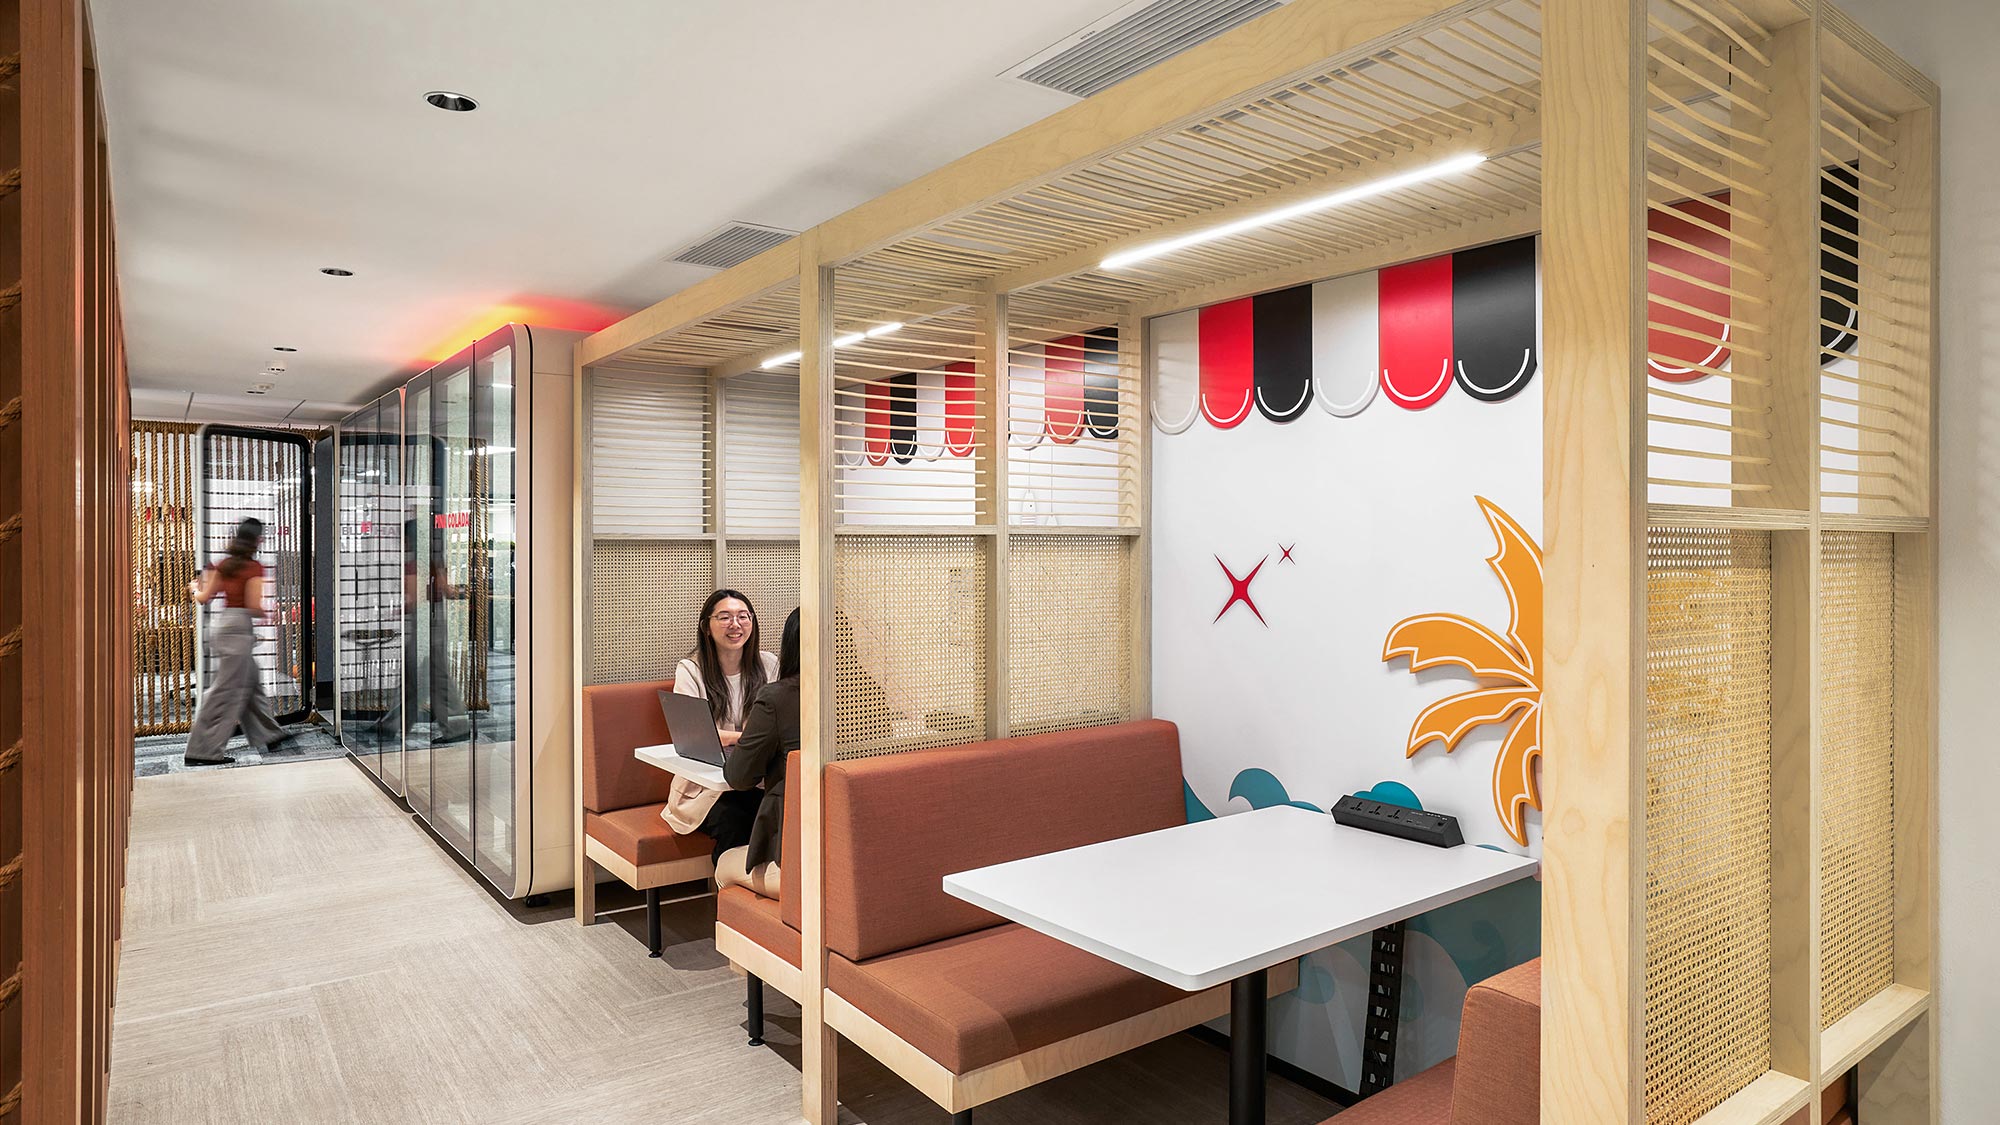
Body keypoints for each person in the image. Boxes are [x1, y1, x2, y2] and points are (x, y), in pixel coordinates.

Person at [662, 590, 778, 857]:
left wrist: (740, 737)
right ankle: (730, 893)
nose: (735, 625)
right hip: (704, 791)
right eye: (724, 617)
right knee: (735, 821)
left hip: (756, 780)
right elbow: (693, 735)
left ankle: (768, 893)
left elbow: (779, 723)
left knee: (782, 813)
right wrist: (749, 737)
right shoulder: (691, 670)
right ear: (706, 626)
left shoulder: (769, 664)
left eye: (743, 617)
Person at [184, 518, 287, 765]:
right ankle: (202, 750)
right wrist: (269, 613)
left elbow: (202, 598)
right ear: (257, 540)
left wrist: (193, 588)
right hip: (238, 628)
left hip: (222, 627)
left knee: (250, 683)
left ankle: (269, 733)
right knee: (225, 692)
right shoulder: (254, 568)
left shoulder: (224, 565)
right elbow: (252, 606)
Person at [717, 607, 800, 899]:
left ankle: (757, 932)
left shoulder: (778, 698)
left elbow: (739, 776)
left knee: (724, 862)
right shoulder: (869, 694)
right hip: (853, 848)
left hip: (795, 855)